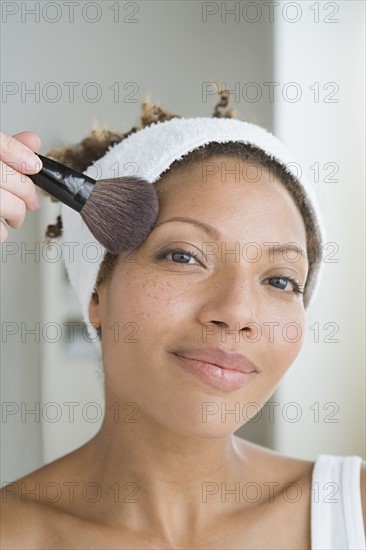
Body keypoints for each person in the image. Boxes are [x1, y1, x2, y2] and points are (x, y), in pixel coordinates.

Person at [1, 93, 365, 549]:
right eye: (184, 256)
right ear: (97, 291)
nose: (236, 312)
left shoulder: (354, 510)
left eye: (280, 281)